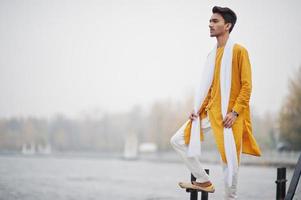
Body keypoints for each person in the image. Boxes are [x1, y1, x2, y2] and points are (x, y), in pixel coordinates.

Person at [170, 6, 261, 200]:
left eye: (215, 21)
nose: (210, 24)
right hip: (210, 112)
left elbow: (246, 86)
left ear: (227, 25)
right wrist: (197, 110)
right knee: (177, 140)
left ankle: (230, 197)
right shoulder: (212, 55)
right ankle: (203, 180)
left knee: (229, 163)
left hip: (230, 117)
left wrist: (235, 112)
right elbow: (211, 89)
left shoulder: (239, 51)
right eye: (210, 21)